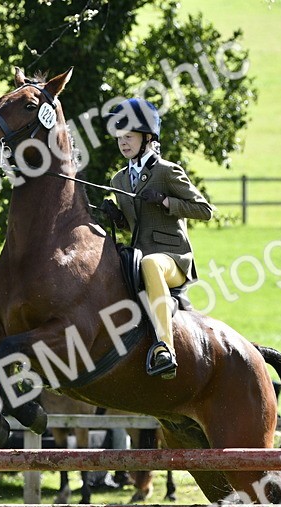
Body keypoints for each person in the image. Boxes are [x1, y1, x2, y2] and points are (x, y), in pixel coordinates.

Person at [100, 98, 214, 379]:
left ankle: (165, 347)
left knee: (151, 263)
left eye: (129, 136)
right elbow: (132, 226)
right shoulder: (119, 180)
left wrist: (165, 201)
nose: (123, 142)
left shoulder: (167, 172)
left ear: (148, 138)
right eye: (120, 137)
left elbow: (205, 210)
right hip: (139, 257)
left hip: (172, 260)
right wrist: (115, 217)